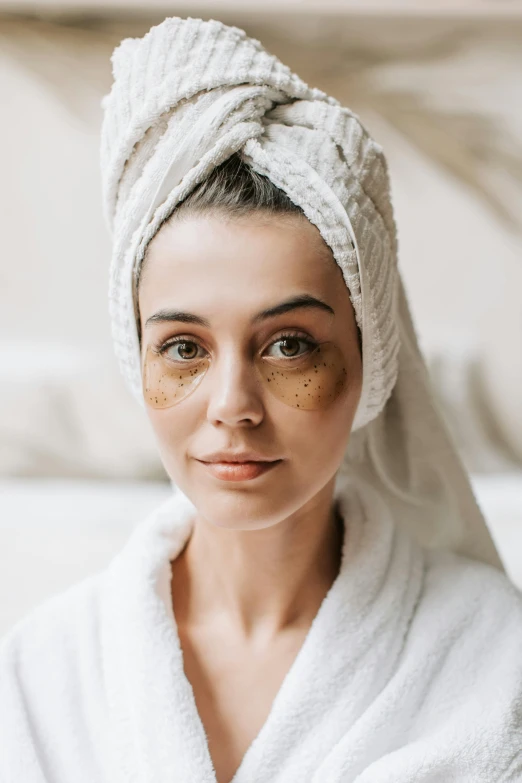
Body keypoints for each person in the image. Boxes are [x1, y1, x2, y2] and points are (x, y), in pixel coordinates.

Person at [1, 16, 521, 783]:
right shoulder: (44, 672)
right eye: (184, 349)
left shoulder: (494, 656)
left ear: (372, 354)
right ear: (135, 354)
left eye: (289, 345)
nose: (233, 405)